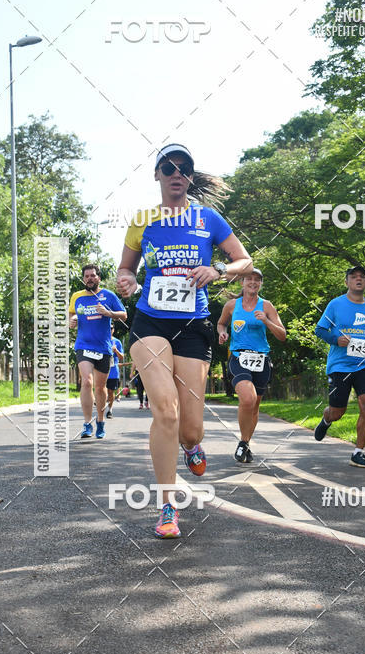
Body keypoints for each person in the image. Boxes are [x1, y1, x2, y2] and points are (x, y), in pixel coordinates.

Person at [116, 143, 252, 538]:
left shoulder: (208, 218)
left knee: (190, 429)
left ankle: (192, 446)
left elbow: (245, 261)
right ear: (157, 175)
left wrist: (219, 269)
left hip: (193, 326)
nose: (177, 173)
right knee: (166, 411)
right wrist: (126, 280)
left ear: (190, 177)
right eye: (169, 167)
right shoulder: (143, 220)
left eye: (184, 168)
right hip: (150, 321)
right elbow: (126, 269)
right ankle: (167, 506)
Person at [313, 265, 365, 467]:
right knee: (338, 411)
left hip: (364, 363)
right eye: (353, 277)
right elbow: (319, 330)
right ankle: (327, 419)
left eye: (362, 277)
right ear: (346, 282)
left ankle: (358, 452)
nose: (358, 279)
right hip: (340, 365)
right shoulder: (335, 305)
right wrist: (336, 339)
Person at [217, 269, 286, 463]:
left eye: (257, 280)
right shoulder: (232, 305)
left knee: (255, 407)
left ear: (261, 284)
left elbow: (282, 335)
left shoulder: (267, 306)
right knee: (248, 399)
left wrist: (266, 320)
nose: (253, 282)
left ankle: (244, 442)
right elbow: (221, 323)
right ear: (242, 282)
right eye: (249, 279)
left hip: (262, 360)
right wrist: (222, 333)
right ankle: (243, 443)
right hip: (239, 358)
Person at [69, 264, 127, 440]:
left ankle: (100, 421)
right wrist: (71, 321)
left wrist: (108, 313)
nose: (89, 279)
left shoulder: (108, 295)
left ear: (98, 278)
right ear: (83, 279)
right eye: (86, 276)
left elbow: (123, 315)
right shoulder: (77, 297)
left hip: (103, 347)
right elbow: (71, 314)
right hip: (83, 345)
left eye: (93, 275)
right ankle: (87, 424)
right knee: (86, 382)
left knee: (100, 387)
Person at [106, 334, 125, 418]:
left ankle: (110, 410)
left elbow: (121, 357)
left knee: (110, 391)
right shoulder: (100, 338)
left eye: (112, 328)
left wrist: (116, 350)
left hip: (113, 371)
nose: (110, 329)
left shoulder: (117, 342)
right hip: (101, 369)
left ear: (113, 330)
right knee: (100, 389)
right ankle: (100, 407)